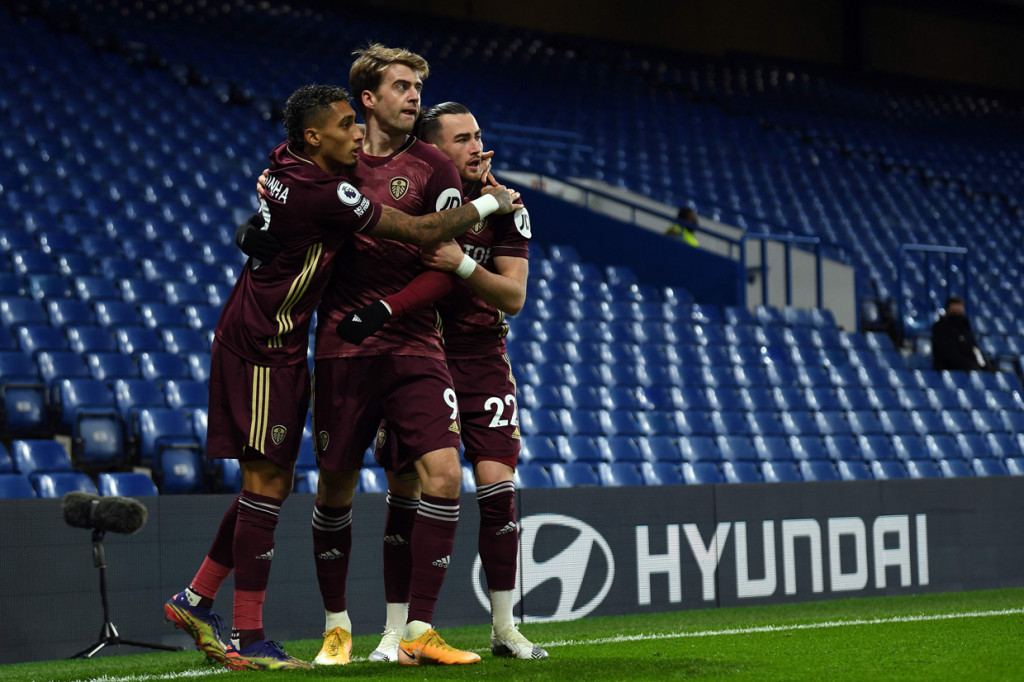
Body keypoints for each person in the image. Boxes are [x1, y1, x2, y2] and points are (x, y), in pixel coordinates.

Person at [164, 83, 518, 671]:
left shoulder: (286, 163)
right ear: (315, 136)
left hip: (282, 343)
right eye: (347, 121)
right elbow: (420, 233)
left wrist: (258, 222)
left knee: (269, 486)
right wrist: (489, 205)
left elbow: (275, 192)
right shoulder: (329, 192)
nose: (356, 132)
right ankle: (248, 635)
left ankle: (198, 597)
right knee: (269, 488)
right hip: (263, 344)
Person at [298, 45, 496, 668]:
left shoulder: (435, 167)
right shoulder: (333, 162)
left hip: (413, 343)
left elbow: (446, 266)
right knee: (335, 489)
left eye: (417, 87)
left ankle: (417, 629)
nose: (414, 96)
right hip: (340, 347)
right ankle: (336, 626)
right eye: (402, 86)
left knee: (442, 475)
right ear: (367, 98)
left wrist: (388, 309)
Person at [337, 102, 547, 660]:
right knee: (406, 489)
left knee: (500, 488)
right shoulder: (417, 199)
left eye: (480, 135)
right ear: (435, 153)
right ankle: (395, 632)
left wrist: (460, 264)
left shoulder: (506, 207)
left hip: (482, 356)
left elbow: (515, 297)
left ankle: (505, 628)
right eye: (464, 140)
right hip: (417, 350)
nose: (481, 148)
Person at [931, 296, 989, 371]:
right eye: (955, 310)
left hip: (970, 368)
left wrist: (984, 366)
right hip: (950, 370)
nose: (958, 311)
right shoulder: (940, 327)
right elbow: (949, 353)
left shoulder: (965, 327)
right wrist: (971, 366)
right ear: (948, 309)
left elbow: (974, 349)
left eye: (960, 309)